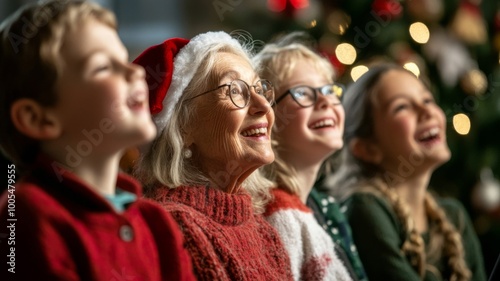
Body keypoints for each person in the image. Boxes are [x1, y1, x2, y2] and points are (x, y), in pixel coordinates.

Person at [0, 1, 195, 280]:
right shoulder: (25, 215)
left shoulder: (156, 223)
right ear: (38, 118)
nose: (136, 72)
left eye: (124, 58)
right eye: (103, 67)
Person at [133, 31, 294, 281]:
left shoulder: (261, 228)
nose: (264, 105)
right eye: (235, 90)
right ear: (182, 126)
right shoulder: (174, 228)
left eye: (258, 87)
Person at [322, 64, 487, 280]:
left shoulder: (454, 216)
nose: (427, 111)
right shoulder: (365, 207)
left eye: (427, 100)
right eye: (402, 107)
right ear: (367, 148)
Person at [253, 34, 356, 281]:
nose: (325, 101)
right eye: (302, 92)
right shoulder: (277, 215)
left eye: (329, 89)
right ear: (268, 119)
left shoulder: (323, 207)